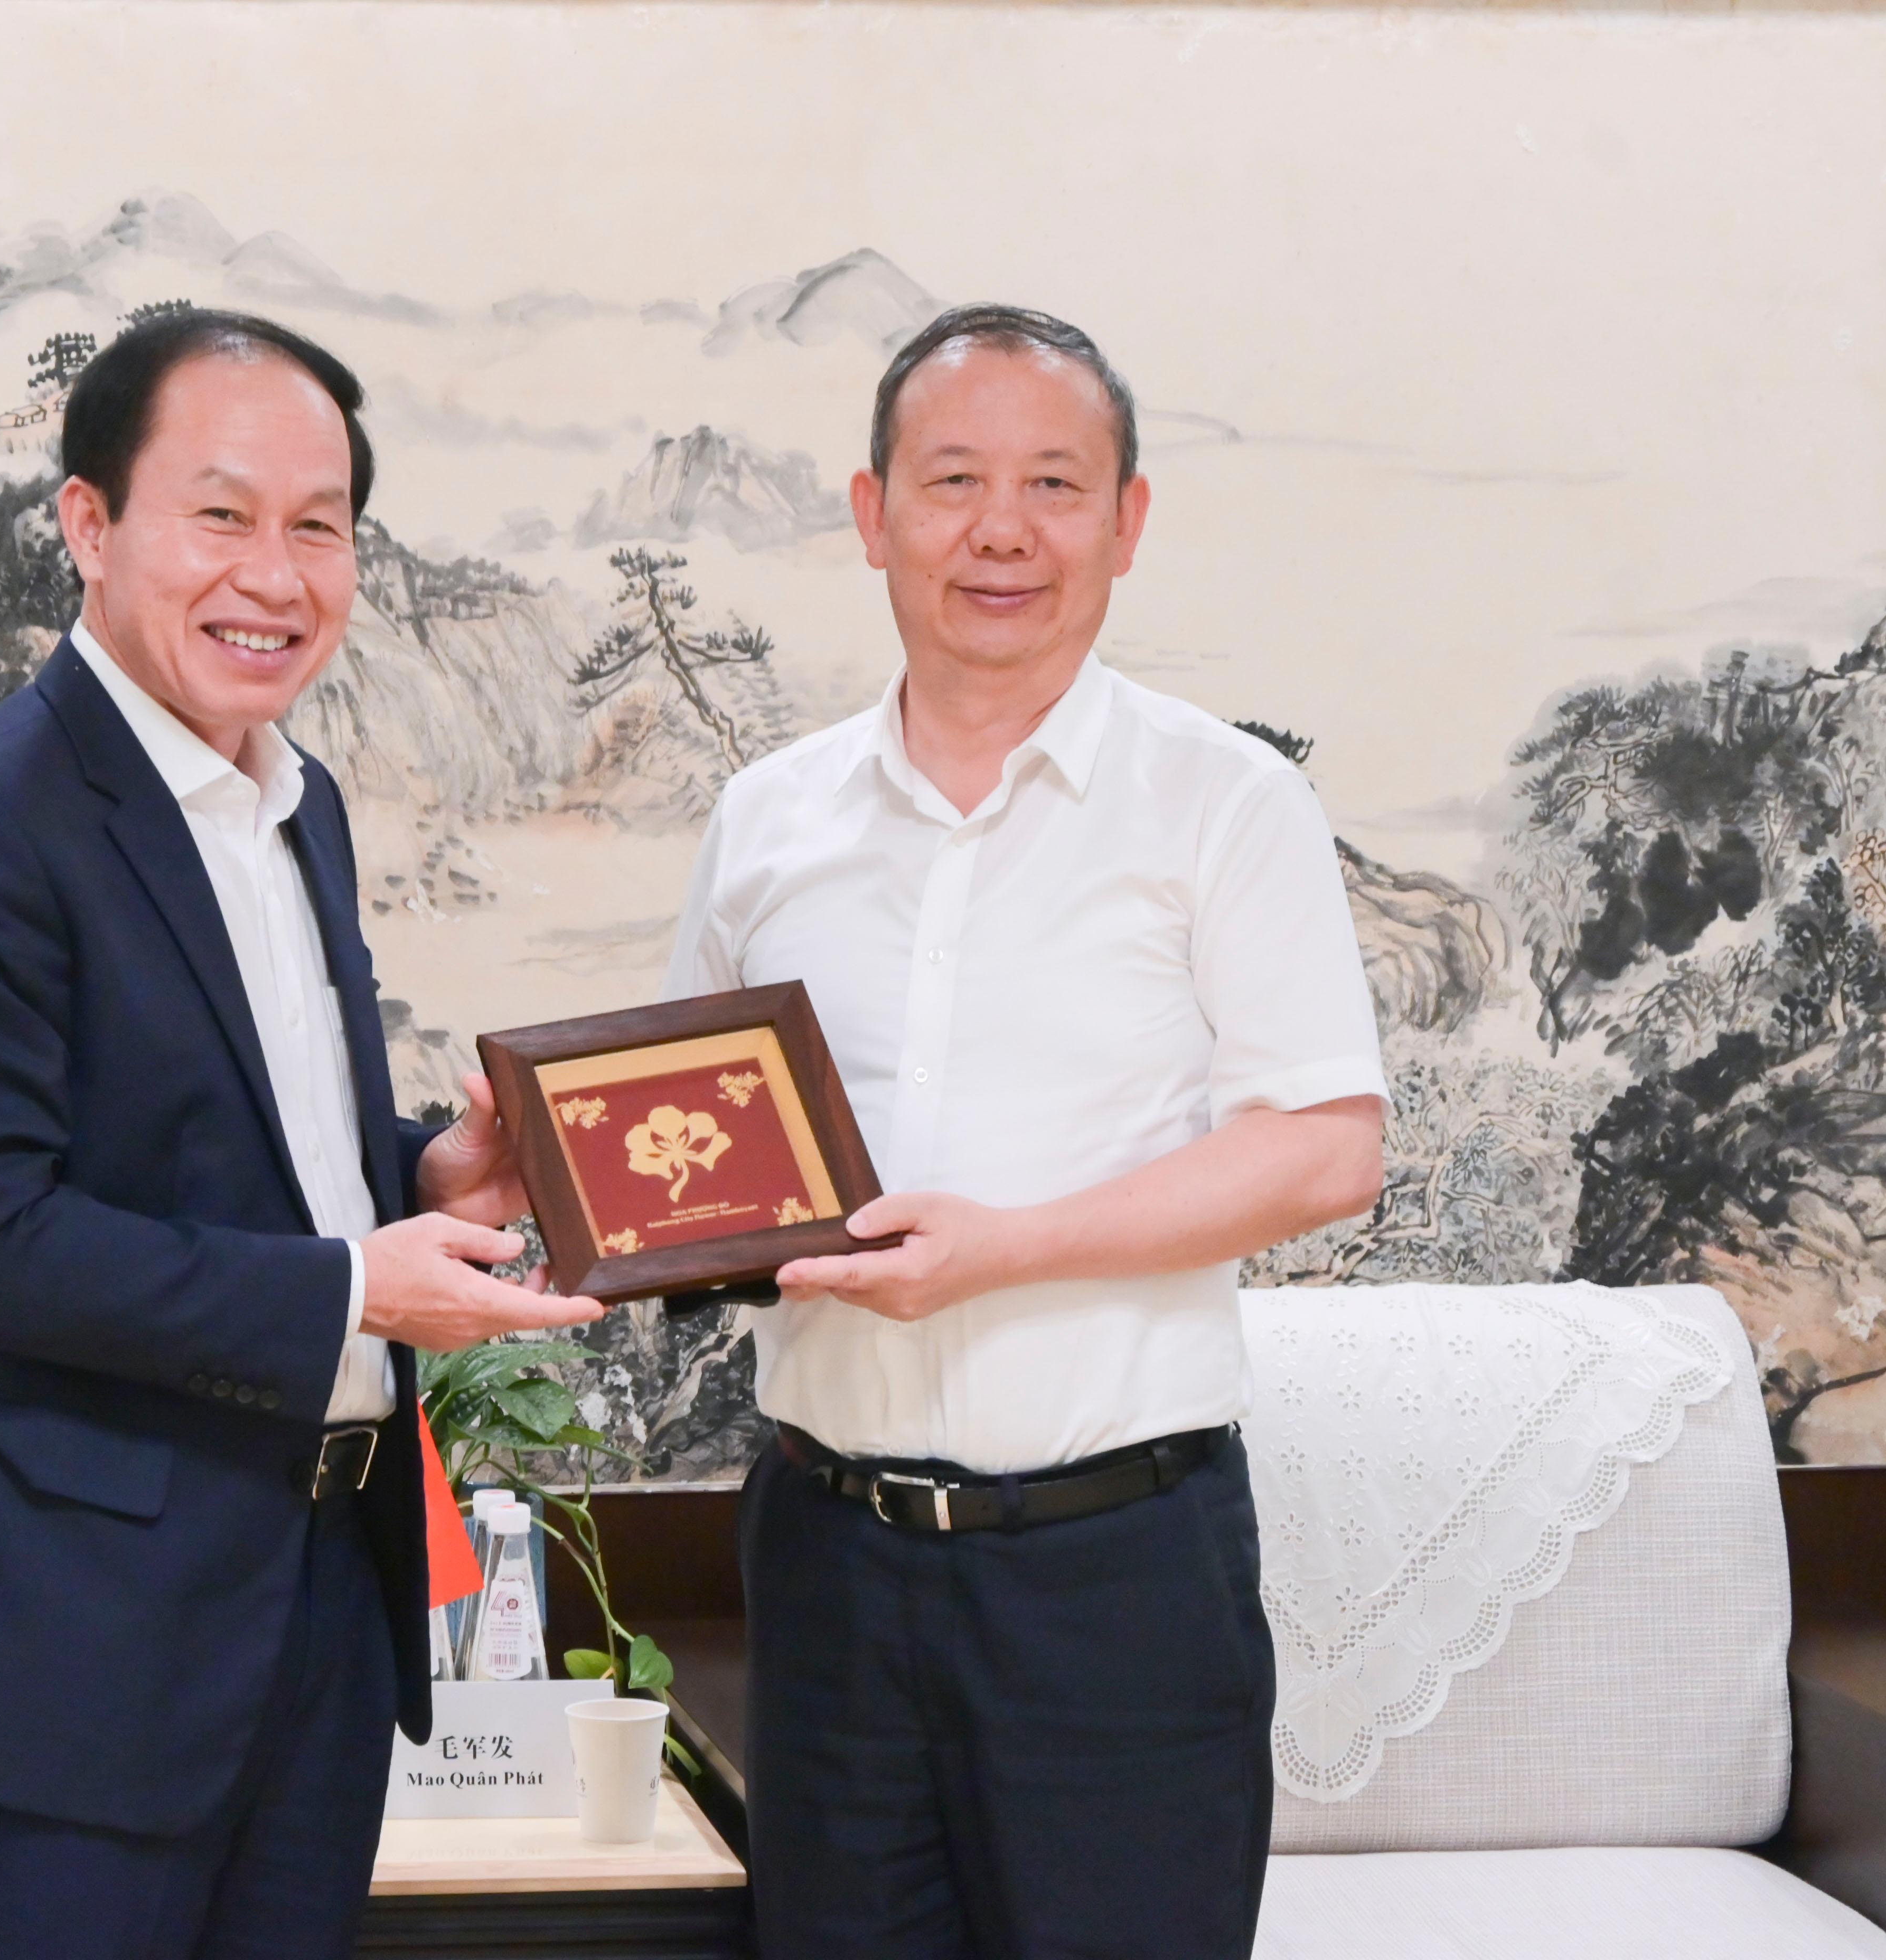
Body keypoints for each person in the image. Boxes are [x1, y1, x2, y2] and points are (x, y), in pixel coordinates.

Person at [0, 308, 601, 1959]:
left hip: (318, 1605)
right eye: (223, 515)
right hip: (76, 1653)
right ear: (91, 525)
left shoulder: (298, 808)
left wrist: (425, 1176)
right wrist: (358, 1291)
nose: (276, 576)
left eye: (319, 527)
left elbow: (246, 1155)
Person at [664, 304, 1388, 1959]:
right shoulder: (769, 818)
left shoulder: (1225, 802)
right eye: (955, 481)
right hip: (828, 1561)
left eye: (1055, 484)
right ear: (873, 516)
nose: (1003, 530)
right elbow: (696, 1131)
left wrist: (1007, 1252)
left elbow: (1324, 1149)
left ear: (1127, 523)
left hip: (1114, 1575)